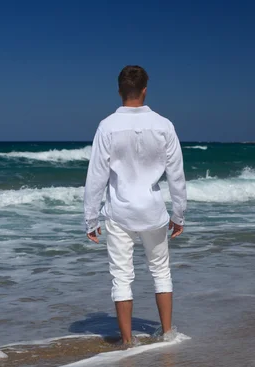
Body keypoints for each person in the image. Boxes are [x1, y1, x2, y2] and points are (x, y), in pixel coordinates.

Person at [83, 65, 187, 344]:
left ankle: (128, 342)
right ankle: (167, 334)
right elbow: (176, 174)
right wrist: (179, 213)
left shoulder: (107, 126)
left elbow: (96, 176)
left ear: (119, 90)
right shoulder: (164, 125)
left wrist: (90, 219)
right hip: (153, 209)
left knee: (121, 277)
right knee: (161, 272)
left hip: (119, 211)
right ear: (145, 89)